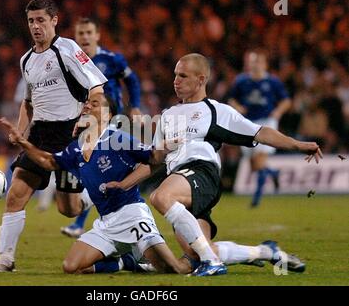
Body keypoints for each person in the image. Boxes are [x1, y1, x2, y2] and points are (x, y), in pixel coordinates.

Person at [106, 53, 321, 276]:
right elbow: (154, 160)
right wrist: (124, 184)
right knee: (195, 256)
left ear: (201, 80)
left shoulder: (217, 111)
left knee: (161, 197)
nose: (176, 81)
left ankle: (213, 263)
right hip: (180, 183)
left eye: (183, 76)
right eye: (175, 75)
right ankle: (266, 252)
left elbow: (260, 132)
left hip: (201, 173)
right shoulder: (167, 116)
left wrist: (297, 144)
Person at [0, 92, 195, 275]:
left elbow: (153, 156)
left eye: (94, 104)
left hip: (133, 216)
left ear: (107, 114)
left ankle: (210, 255)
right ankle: (124, 261)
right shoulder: (76, 147)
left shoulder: (118, 138)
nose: (87, 107)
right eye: (86, 103)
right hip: (106, 223)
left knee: (173, 268)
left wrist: (167, 146)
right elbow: (49, 162)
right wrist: (22, 143)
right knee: (71, 267)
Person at [0, 0, 107, 273]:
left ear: (54, 20)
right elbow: (28, 102)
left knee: (69, 209)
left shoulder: (67, 49)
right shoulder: (26, 60)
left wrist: (92, 118)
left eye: (41, 20)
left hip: (69, 133)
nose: (35, 26)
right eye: (31, 21)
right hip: (40, 134)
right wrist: (20, 130)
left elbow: (96, 85)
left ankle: (90, 196)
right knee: (16, 193)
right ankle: (5, 259)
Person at [60, 17, 142, 238]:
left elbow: (132, 80)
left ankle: (131, 211)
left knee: (112, 167)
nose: (85, 37)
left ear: (97, 35)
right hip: (86, 119)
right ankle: (92, 219)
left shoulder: (112, 59)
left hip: (110, 119)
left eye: (88, 33)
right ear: (75, 37)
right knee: (94, 169)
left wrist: (134, 106)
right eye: (80, 34)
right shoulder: (70, 62)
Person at [228, 49, 291, 207]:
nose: (255, 65)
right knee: (254, 165)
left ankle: (257, 197)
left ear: (265, 64)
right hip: (247, 123)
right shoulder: (241, 81)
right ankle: (273, 173)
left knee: (260, 159)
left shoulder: (273, 82)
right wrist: (238, 107)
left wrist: (278, 112)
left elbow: (286, 100)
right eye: (252, 61)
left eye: (258, 61)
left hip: (266, 123)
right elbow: (231, 99)